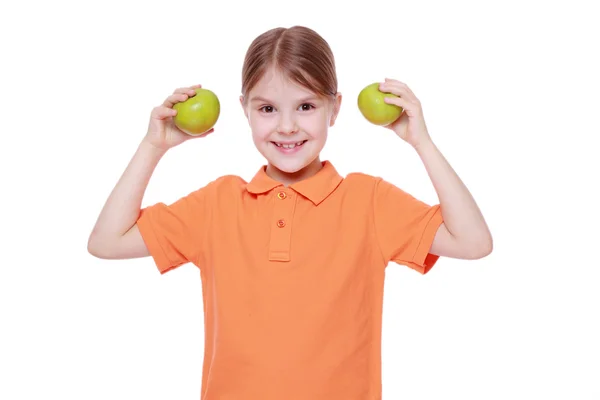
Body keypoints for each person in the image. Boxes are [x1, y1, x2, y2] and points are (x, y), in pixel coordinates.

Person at [88, 25, 492, 400]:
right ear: (244, 109)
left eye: (305, 106)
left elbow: (473, 242)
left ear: (334, 108)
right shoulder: (217, 203)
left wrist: (421, 142)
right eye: (267, 109)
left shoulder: (368, 201)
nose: (286, 127)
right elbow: (107, 242)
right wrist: (153, 146)